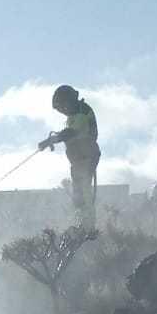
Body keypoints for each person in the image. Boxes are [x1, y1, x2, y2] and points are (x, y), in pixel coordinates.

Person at [38, 85, 100, 229]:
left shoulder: (82, 111)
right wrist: (53, 140)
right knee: (78, 193)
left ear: (70, 101)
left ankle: (88, 225)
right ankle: (80, 223)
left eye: (63, 107)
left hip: (87, 156)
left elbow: (71, 132)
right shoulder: (73, 115)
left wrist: (52, 140)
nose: (63, 112)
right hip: (78, 160)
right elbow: (68, 133)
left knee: (84, 190)